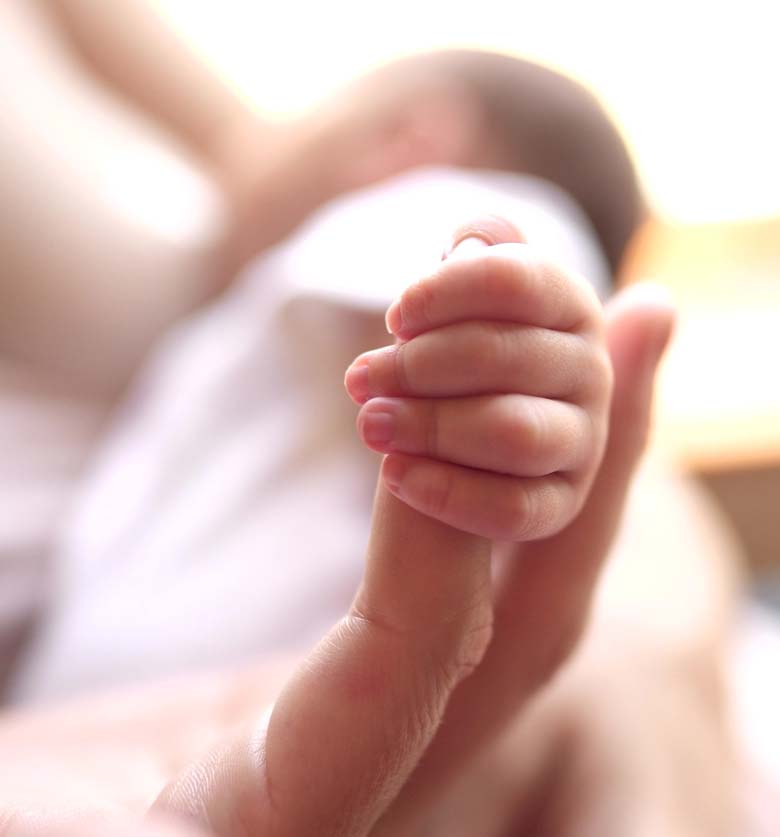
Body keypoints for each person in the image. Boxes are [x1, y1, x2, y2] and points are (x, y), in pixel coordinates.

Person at [0, 1, 740, 834]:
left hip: (320, 730)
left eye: (308, 117)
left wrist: (505, 362)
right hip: (176, 752)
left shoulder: (434, 204)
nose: (250, 150)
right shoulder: (254, 316)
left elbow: (468, 281)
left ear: (402, 140)